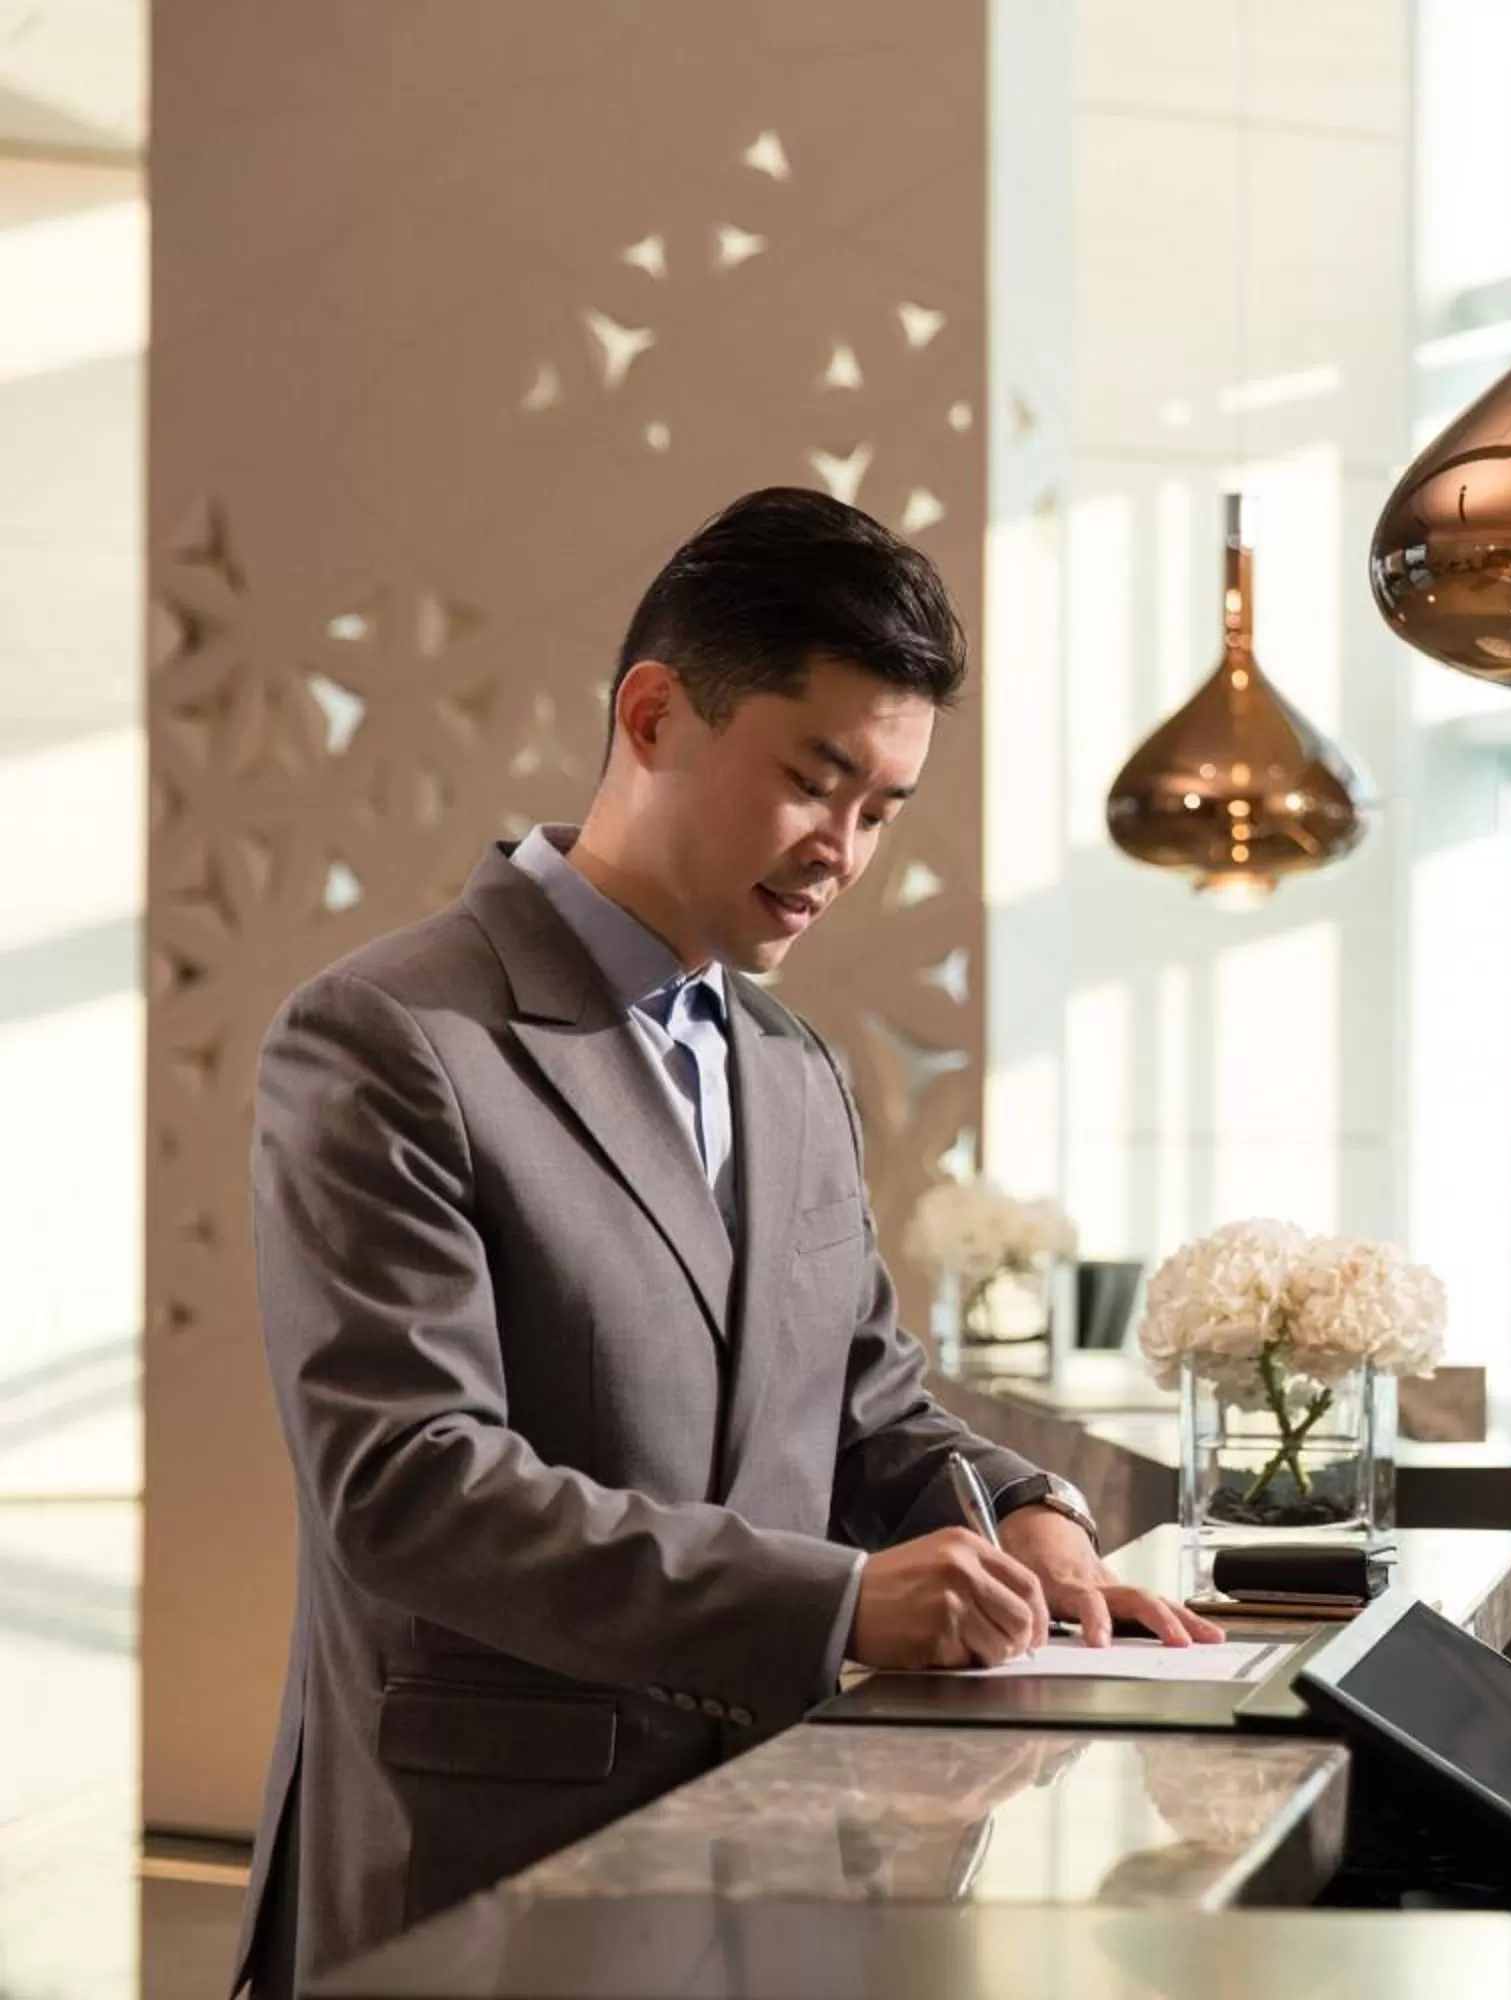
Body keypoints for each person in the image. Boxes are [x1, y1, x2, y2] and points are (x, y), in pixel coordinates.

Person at [231, 488, 1221, 1998]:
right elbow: (410, 1488)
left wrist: (1030, 1510)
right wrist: (833, 1604)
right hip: (483, 1871)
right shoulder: (389, 1040)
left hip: (767, 1853)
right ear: (651, 715)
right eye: (816, 781)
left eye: (884, 809)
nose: (844, 849)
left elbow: (862, 1401)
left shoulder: (792, 1066)